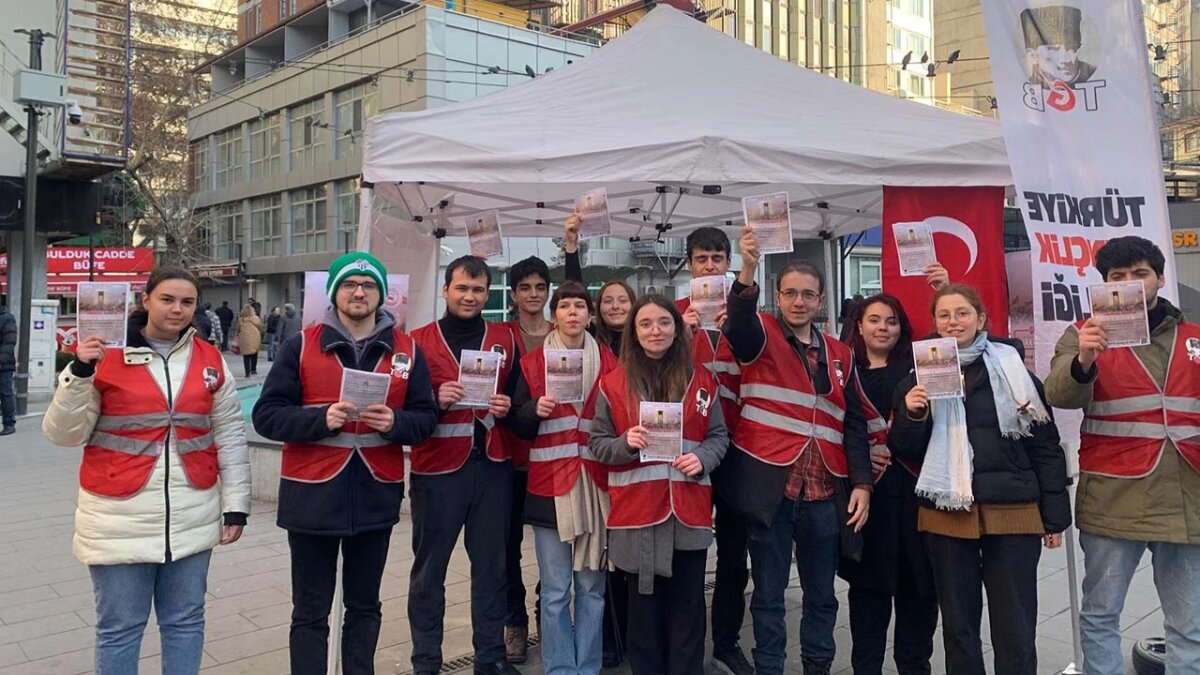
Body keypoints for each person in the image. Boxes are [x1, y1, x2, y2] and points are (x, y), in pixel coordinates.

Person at [41, 266, 251, 673]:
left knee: (186, 622)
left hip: (192, 515)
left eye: (187, 302)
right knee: (120, 628)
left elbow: (228, 434)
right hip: (118, 517)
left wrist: (236, 505)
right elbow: (64, 434)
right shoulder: (105, 355)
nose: (177, 309)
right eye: (167, 299)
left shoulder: (209, 359)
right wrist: (80, 372)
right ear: (146, 300)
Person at [253, 252, 438, 675]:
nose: (359, 292)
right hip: (311, 497)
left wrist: (396, 422)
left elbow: (426, 419)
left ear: (380, 294)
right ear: (334, 292)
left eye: (368, 285)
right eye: (350, 285)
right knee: (310, 611)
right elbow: (265, 415)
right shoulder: (300, 346)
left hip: (375, 495)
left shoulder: (407, 350)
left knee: (365, 606)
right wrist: (320, 419)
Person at [890, 283, 1070, 675]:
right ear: (934, 322)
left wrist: (1054, 516)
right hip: (947, 514)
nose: (953, 322)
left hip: (1013, 510)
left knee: (1016, 626)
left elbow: (1044, 446)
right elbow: (904, 449)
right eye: (944, 315)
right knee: (959, 627)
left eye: (962, 313)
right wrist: (912, 412)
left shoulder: (1014, 371)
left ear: (981, 319)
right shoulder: (918, 375)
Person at [1045, 236, 1200, 675]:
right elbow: (1059, 393)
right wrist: (1084, 360)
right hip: (1113, 497)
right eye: (1118, 277)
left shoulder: (1194, 339)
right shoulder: (1083, 333)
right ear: (1103, 285)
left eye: (1140, 273)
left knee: (1189, 627)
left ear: (1160, 278)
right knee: (1100, 615)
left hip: (1186, 498)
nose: (1130, 283)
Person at [721, 228, 874, 675]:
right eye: (790, 293)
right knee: (768, 595)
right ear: (777, 295)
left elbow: (854, 423)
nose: (798, 301)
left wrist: (861, 483)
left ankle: (817, 666)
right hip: (772, 488)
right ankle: (769, 667)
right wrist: (746, 266)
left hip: (825, 491)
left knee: (822, 595)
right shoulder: (760, 336)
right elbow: (740, 321)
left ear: (822, 299)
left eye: (808, 294)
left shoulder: (841, 353)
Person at [589, 295, 728, 675]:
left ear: (677, 327)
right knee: (643, 617)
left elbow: (719, 436)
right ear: (633, 332)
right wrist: (624, 444)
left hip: (688, 513)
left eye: (664, 322)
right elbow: (597, 444)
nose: (656, 330)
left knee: (688, 613)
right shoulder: (612, 385)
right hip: (637, 515)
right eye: (646, 324)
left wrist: (704, 458)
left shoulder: (703, 381)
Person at [408, 255, 522, 675]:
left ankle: (489, 658)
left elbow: (519, 401)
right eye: (462, 288)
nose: (470, 296)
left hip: (493, 467)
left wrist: (509, 406)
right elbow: (402, 410)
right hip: (437, 471)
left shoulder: (504, 339)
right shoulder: (417, 341)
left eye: (477, 290)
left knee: (491, 570)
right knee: (428, 573)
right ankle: (426, 663)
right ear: (446, 290)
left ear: (487, 292)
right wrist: (434, 402)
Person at [511, 281, 619, 675]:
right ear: (554, 315)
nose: (572, 313)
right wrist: (532, 411)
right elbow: (516, 425)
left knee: (592, 589)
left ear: (590, 316)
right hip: (550, 488)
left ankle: (586, 666)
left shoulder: (609, 362)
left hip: (595, 487)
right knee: (556, 591)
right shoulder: (531, 363)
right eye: (565, 306)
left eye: (580, 306)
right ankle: (559, 667)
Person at [837, 295, 940, 675]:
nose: (883, 327)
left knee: (919, 590)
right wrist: (863, 458)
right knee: (867, 597)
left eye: (892, 321)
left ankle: (915, 667)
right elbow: (837, 429)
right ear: (859, 325)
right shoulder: (843, 372)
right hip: (868, 497)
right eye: (875, 320)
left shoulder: (919, 370)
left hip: (915, 493)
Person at [674, 226, 753, 675]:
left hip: (738, 447)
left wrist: (738, 326)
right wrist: (681, 335)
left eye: (717, 258)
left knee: (733, 552)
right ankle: (684, 642)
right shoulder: (673, 315)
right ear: (689, 264)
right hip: (690, 449)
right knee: (688, 548)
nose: (709, 266)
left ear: (728, 263)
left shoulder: (744, 315)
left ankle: (726, 640)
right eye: (701, 258)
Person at [1021, 5, 1096, 88]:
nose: (1066, 60)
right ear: (1032, 56)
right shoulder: (1022, 86)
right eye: (1054, 50)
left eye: (1071, 49)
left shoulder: (1096, 75)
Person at [593, 280, 635, 356]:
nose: (615, 306)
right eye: (608, 301)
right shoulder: (590, 343)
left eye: (622, 301)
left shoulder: (646, 342)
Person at [0, 300, 17, 435]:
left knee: (5, 393)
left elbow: (9, 342)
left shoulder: (7, 318)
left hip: (4, 364)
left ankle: (9, 423)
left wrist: (1, 360)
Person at [237, 303, 262, 377]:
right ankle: (253, 369)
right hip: (255, 337)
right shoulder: (255, 318)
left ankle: (247, 372)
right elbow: (260, 326)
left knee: (246, 356)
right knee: (254, 353)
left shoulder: (241, 319)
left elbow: (238, 329)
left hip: (244, 338)